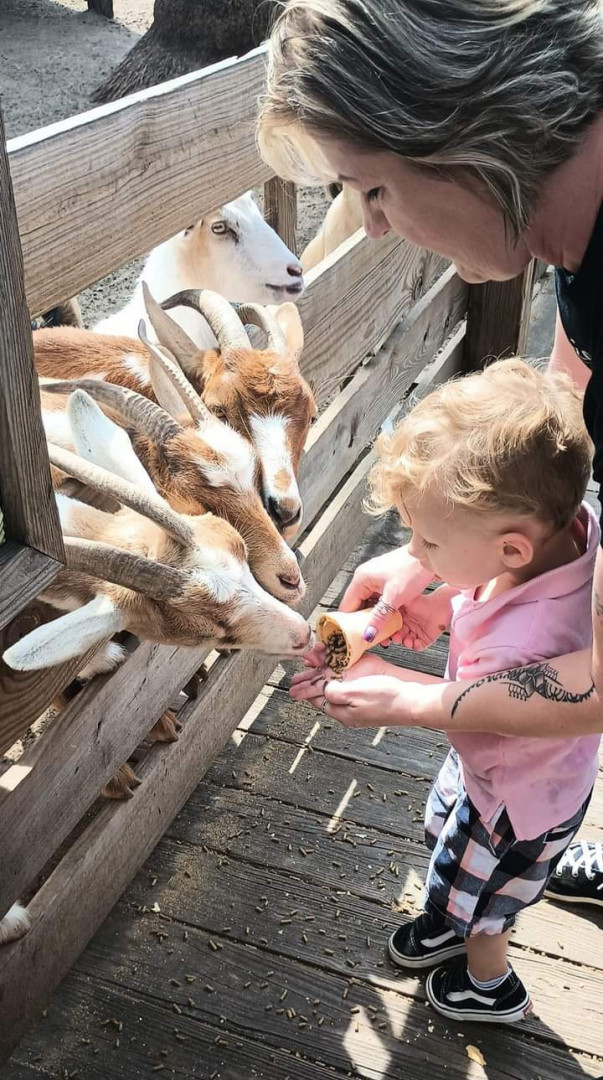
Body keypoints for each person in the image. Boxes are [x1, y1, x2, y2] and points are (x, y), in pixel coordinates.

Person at [258, 0, 603, 905]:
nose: (372, 226)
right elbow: (562, 405)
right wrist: (437, 554)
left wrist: (422, 702)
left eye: (371, 189)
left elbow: (600, 683)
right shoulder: (579, 236)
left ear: (458, 131)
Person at [292, 358, 599, 1021]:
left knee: (488, 904)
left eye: (427, 541)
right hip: (512, 778)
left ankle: (488, 983)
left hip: (513, 799)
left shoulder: (524, 643)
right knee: (457, 857)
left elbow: (483, 718)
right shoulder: (569, 534)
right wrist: (443, 597)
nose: (416, 555)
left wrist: (392, 686)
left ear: (512, 549)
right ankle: (447, 916)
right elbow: (490, 582)